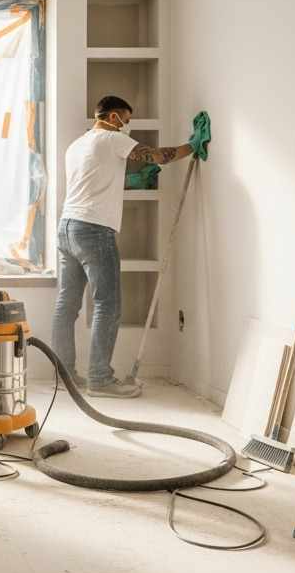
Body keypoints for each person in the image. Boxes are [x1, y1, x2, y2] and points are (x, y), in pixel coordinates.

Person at [54, 96, 204, 398]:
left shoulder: (78, 145)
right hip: (95, 230)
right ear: (112, 117)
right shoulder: (111, 138)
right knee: (107, 305)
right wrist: (192, 145)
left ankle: (65, 375)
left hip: (67, 226)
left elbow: (94, 180)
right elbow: (158, 156)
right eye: (126, 119)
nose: (127, 126)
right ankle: (100, 379)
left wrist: (132, 179)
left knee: (67, 305)